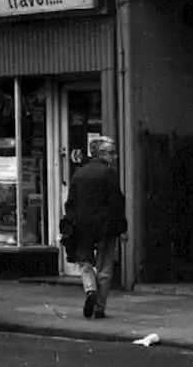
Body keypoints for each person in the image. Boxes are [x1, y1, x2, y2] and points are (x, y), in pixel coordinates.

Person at [63, 136, 126, 320]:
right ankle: (99, 308)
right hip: (105, 226)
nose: (115, 157)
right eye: (112, 153)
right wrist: (121, 227)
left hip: (82, 226)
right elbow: (117, 203)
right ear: (102, 154)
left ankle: (90, 290)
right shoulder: (109, 174)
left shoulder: (79, 174)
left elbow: (71, 203)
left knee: (85, 262)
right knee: (105, 267)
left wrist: (71, 223)